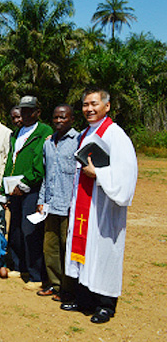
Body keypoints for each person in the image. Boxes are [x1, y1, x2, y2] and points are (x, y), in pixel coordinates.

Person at [61, 88, 137, 324]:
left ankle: (106, 304)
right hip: (85, 203)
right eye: (85, 104)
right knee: (85, 251)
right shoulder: (85, 133)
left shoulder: (116, 135)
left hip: (104, 207)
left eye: (94, 104)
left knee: (103, 252)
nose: (89, 109)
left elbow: (126, 174)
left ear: (107, 106)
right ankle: (84, 299)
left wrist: (99, 174)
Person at [3, 95, 53, 287]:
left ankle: (36, 275)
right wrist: (4, 186)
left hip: (31, 189)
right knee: (14, 228)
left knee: (29, 229)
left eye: (29, 110)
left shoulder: (43, 131)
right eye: (22, 110)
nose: (24, 114)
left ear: (37, 112)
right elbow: (11, 159)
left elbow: (39, 161)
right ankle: (18, 265)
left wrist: (26, 182)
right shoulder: (16, 133)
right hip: (13, 189)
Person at [36, 105, 79, 301]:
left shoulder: (79, 141)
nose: (59, 121)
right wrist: (41, 201)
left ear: (71, 119)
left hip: (70, 205)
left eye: (64, 117)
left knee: (67, 248)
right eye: (56, 118)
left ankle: (69, 289)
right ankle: (55, 285)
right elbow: (47, 176)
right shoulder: (48, 143)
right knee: (50, 248)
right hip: (51, 205)